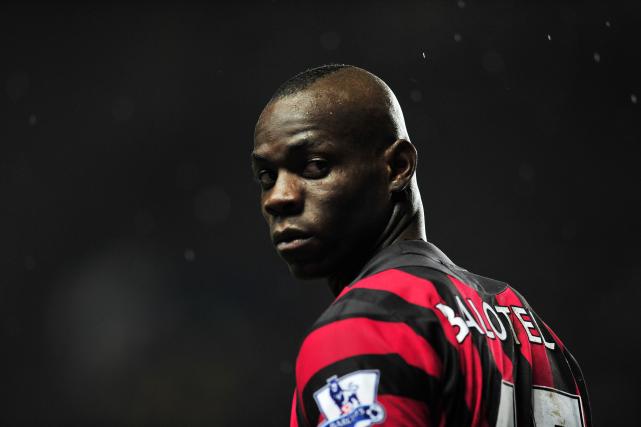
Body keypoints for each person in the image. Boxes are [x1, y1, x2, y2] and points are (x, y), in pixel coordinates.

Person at [251, 64, 591, 427]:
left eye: (314, 166)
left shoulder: (368, 322)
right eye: (267, 176)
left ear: (398, 167)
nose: (277, 198)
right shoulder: (535, 333)